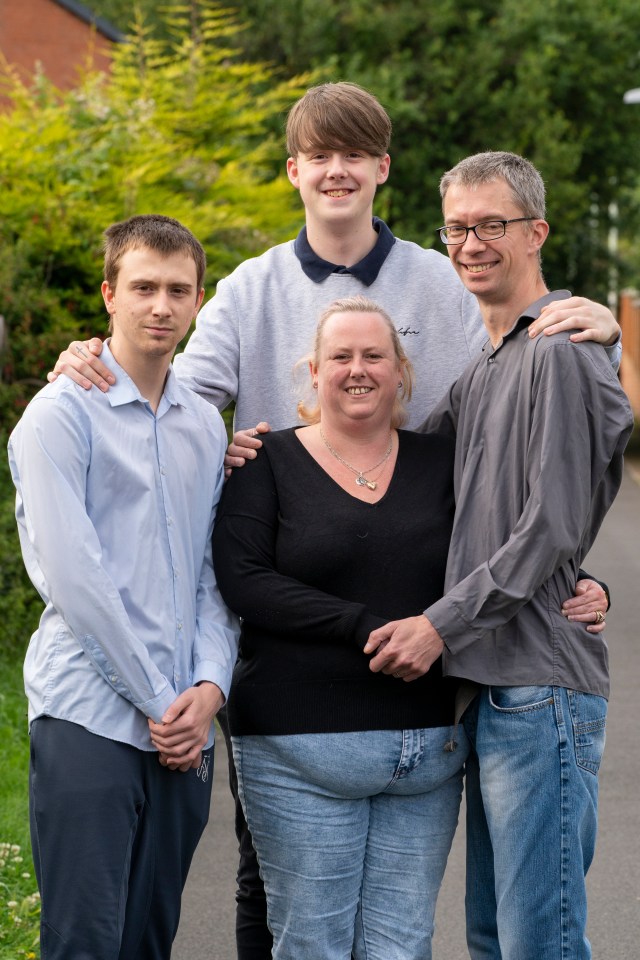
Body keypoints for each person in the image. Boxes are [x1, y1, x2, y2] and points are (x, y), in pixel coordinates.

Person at [46, 84, 616, 959]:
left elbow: (527, 450)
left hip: (433, 644)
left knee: (457, 926)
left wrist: (599, 332)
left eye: (356, 154)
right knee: (273, 891)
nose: (338, 170)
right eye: (321, 155)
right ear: (295, 171)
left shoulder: (445, 279)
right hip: (297, 642)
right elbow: (168, 402)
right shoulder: (248, 289)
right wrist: (95, 355)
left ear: (383, 169)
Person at [363, 152, 634, 960]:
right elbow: (406, 471)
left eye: (491, 225)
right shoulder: (486, 367)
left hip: (537, 691)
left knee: (537, 942)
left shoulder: (558, 347)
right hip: (492, 687)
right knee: (495, 938)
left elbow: (550, 527)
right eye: (456, 227)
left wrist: (438, 626)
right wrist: (264, 453)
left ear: (535, 233)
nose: (471, 243)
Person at [8, 215, 239, 960]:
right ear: (110, 294)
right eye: (143, 287)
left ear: (199, 301)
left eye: (178, 290)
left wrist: (208, 689)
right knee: (84, 942)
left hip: (182, 722)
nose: (160, 306)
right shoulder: (57, 418)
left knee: (148, 940)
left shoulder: (204, 424)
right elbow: (76, 582)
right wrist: (160, 705)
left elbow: (212, 572)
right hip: (90, 719)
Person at [212, 295, 467, 960]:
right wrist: (363, 625)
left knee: (402, 948)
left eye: (374, 355)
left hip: (427, 753)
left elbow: (504, 549)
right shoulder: (263, 459)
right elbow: (244, 580)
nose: (359, 369)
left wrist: (584, 584)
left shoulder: (444, 461)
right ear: (313, 371)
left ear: (402, 371)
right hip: (300, 749)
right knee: (312, 946)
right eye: (342, 356)